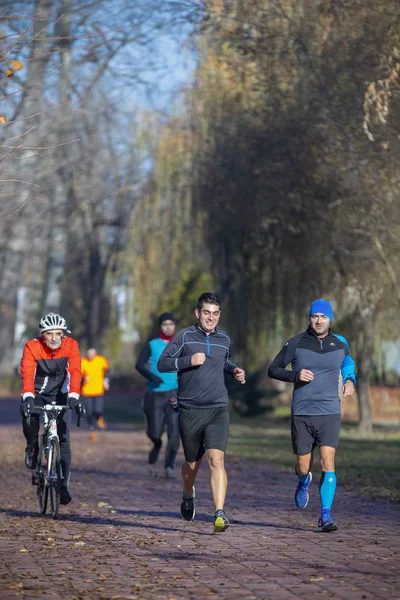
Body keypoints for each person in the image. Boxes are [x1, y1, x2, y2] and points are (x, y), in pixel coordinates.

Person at [157, 293, 246, 532]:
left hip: (217, 408)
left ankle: (219, 513)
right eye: (206, 312)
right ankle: (188, 493)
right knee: (192, 465)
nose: (211, 317)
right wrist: (187, 361)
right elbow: (162, 364)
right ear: (198, 313)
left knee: (216, 459)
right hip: (190, 409)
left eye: (215, 313)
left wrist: (234, 370)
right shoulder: (184, 336)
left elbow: (223, 362)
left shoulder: (224, 339)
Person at [268, 299, 356, 532]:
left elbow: (348, 362)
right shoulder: (296, 342)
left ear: (330, 319)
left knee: (328, 462)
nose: (319, 320)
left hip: (329, 411)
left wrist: (349, 380)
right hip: (302, 413)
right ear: (310, 318)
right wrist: (295, 375)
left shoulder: (340, 342)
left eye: (323, 317)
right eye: (315, 316)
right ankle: (302, 481)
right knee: (302, 466)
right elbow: (273, 369)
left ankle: (325, 515)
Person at [20, 312, 85, 506]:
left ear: (64, 334)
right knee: (29, 419)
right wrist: (28, 397)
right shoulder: (32, 346)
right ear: (43, 334)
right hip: (37, 392)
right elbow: (27, 372)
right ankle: (32, 447)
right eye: (50, 334)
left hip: (60, 393)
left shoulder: (71, 345)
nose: (55, 338)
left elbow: (75, 371)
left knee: (63, 439)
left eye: (59, 333)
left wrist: (74, 396)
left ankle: (62, 486)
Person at [135, 313, 180, 479]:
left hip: (175, 393)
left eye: (171, 324)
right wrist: (152, 377)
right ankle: (157, 444)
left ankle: (169, 467)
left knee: (175, 431)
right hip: (155, 394)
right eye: (164, 324)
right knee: (155, 432)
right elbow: (139, 364)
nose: (168, 327)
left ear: (174, 325)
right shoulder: (152, 344)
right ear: (160, 326)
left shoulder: (181, 343)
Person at [81, 348, 110, 441]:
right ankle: (92, 432)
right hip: (86, 391)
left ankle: (99, 418)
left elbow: (108, 371)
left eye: (92, 354)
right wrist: (83, 379)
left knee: (98, 410)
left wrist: (106, 381)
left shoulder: (101, 360)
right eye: (88, 354)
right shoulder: (83, 362)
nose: (90, 356)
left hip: (98, 390)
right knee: (89, 412)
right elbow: (77, 376)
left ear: (95, 354)